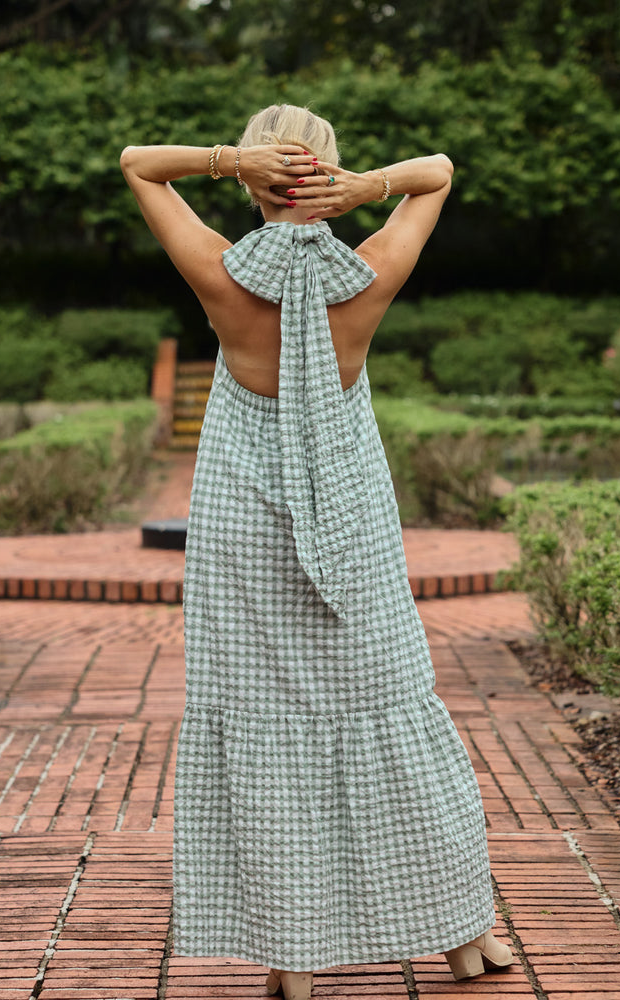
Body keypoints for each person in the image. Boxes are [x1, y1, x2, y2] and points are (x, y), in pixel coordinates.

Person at [120, 104, 515, 1000]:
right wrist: (372, 189)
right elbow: (442, 165)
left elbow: (139, 163)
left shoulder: (222, 276)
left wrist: (228, 161)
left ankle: (291, 965)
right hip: (352, 524)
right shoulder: (368, 272)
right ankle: (463, 939)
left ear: (260, 180)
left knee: (265, 727)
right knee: (389, 706)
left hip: (243, 526)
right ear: (331, 180)